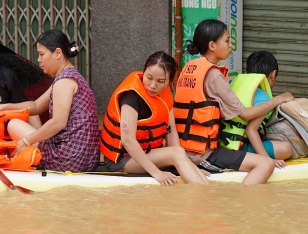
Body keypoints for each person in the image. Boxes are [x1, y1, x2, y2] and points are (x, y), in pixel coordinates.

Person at [174, 19, 294, 184]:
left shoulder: (189, 68)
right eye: (227, 40)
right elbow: (245, 115)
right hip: (203, 154)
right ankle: (241, 205)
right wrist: (279, 99)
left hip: (184, 150)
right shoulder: (213, 75)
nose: (231, 45)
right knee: (265, 164)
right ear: (212, 45)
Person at [0, 29, 100, 172]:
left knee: (13, 125)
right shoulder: (69, 76)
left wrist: (26, 141)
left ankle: (32, 159)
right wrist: (6, 106)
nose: (38, 60)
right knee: (25, 125)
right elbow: (36, 106)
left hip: (69, 158)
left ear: (58, 53)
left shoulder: (64, 81)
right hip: (88, 159)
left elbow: (58, 122)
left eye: (41, 54)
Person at [97, 52, 209, 185]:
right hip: (122, 160)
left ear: (169, 81)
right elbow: (128, 140)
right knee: (176, 154)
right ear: (143, 71)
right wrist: (157, 173)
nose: (152, 85)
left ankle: (203, 192)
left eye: (160, 81)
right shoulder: (131, 97)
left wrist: (191, 167)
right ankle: (201, 197)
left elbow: (171, 131)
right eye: (149, 77)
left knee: (179, 153)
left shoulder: (166, 93)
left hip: (147, 153)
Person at [219, 51, 293, 168]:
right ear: (273, 75)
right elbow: (251, 130)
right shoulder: (264, 98)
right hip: (239, 149)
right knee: (287, 148)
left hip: (221, 144)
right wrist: (268, 160)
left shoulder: (233, 83)